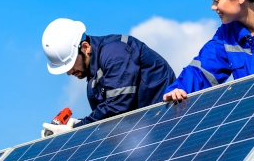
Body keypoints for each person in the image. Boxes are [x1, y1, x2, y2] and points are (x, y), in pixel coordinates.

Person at [41, 18, 176, 137]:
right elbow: (106, 120)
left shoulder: (115, 53)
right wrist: (76, 124)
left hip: (165, 122)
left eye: (70, 65)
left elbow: (118, 106)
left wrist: (76, 129)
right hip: (146, 130)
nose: (69, 72)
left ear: (85, 47)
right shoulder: (93, 77)